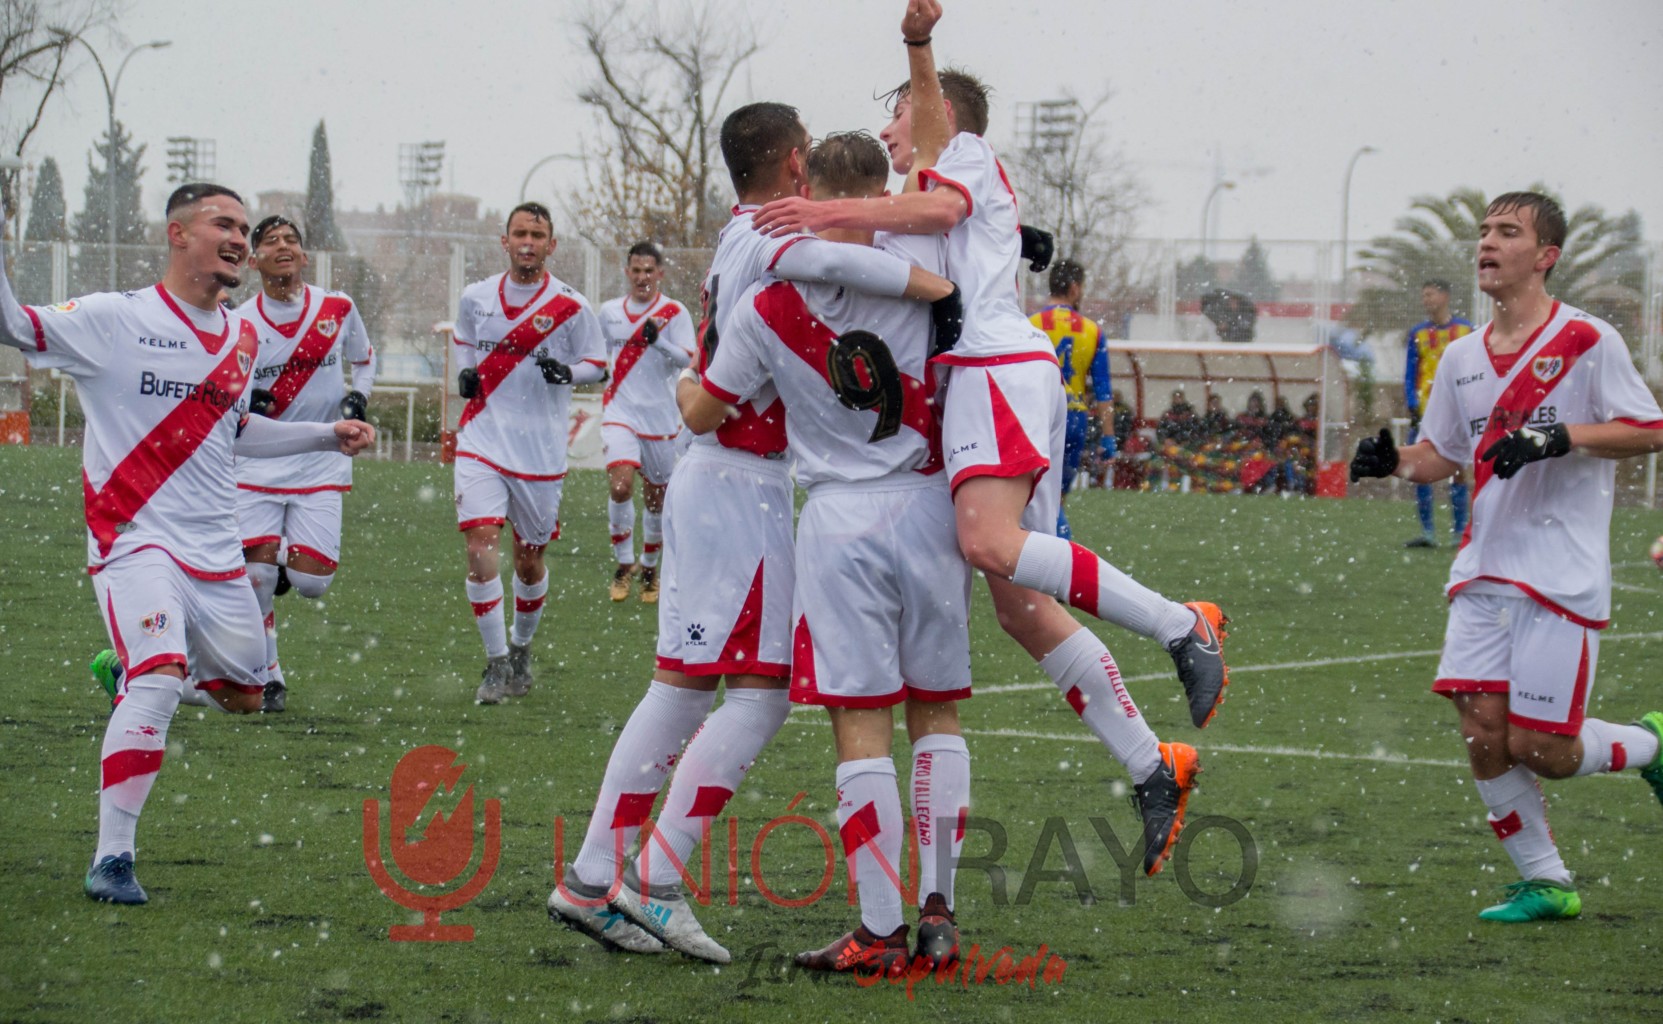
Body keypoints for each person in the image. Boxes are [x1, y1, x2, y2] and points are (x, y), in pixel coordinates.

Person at [754, 0, 1212, 880]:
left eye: (897, 114)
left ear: (936, 119)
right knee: (1015, 599)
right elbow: (894, 234)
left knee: (987, 543)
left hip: (994, 369)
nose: (890, 132)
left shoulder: (956, 157)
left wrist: (914, 55)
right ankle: (1154, 766)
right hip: (992, 378)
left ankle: (1181, 625)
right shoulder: (918, 191)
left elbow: (927, 206)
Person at [549, 101, 958, 962]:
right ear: (793, 165)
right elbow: (847, 262)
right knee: (754, 696)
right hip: (741, 483)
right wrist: (939, 287)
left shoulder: (742, 233)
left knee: (688, 687)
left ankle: (595, 877)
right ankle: (649, 883)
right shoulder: (774, 236)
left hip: (731, 480)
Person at [0, 184, 375, 904]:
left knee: (243, 697)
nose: (239, 237)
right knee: (163, 678)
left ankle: (127, 668)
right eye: (223, 224)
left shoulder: (243, 336)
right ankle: (113, 859)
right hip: (133, 538)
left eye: (243, 226)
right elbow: (13, 323)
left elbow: (236, 435)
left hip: (215, 548)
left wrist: (326, 433)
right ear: (177, 233)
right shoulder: (116, 318)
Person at [683, 130, 970, 976]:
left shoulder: (768, 301)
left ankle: (877, 931)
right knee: (937, 714)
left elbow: (707, 413)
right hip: (926, 506)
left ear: (805, 186)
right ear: (881, 192)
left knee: (860, 723)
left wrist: (679, 386)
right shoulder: (924, 281)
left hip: (841, 520)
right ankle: (938, 915)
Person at [1350, 191, 1663, 923]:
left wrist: (1563, 438)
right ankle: (1546, 881)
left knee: (1543, 748)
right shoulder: (1459, 356)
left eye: (1507, 232)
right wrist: (1389, 459)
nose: (1487, 243)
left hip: (1560, 574)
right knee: (1483, 734)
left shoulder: (1586, 340)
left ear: (1544, 256)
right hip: (1483, 570)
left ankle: (1649, 745)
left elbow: (1648, 429)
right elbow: (1442, 457)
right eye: (1483, 231)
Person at [452, 202, 608, 704]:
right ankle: (495, 662)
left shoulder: (571, 305)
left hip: (540, 454)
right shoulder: (476, 297)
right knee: (480, 546)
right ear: (504, 241)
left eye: (537, 234)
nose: (527, 242)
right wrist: (465, 371)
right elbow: (461, 340)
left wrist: (570, 373)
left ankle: (521, 647)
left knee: (528, 561)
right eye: (519, 232)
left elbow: (597, 363)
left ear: (551, 244)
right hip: (481, 438)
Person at [233, 215, 377, 712]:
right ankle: (268, 674)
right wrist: (248, 396)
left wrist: (360, 397)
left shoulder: (337, 308)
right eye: (271, 242)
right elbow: (223, 380)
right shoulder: (239, 319)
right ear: (254, 261)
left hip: (321, 460)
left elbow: (365, 357)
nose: (283, 247)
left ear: (305, 255)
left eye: (292, 239)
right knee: (254, 580)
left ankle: (281, 565)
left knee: (314, 584)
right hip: (258, 461)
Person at [596, 242, 695, 603]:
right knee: (621, 486)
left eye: (648, 271)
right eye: (636, 271)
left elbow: (688, 357)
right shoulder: (608, 312)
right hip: (620, 412)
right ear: (627, 272)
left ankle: (650, 568)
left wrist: (659, 343)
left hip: (661, 417)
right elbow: (597, 355)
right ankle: (624, 565)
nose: (642, 277)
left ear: (660, 274)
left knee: (657, 501)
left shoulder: (673, 312)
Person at [1030, 259, 1111, 540]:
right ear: (1075, 288)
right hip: (1074, 417)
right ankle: (1059, 544)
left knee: (1036, 496)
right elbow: (1103, 390)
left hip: (1038, 416)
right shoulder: (1092, 331)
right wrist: (1109, 437)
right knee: (1057, 499)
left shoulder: (1030, 325)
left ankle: (1051, 547)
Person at [1402, 279, 1474, 548]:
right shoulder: (1417, 334)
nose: (1426, 300)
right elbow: (1410, 374)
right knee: (1419, 471)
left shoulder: (1466, 330)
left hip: (1456, 411)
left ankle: (1459, 533)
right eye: (1424, 295)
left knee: (1458, 471)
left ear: (1445, 296)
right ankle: (1428, 532)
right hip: (1425, 414)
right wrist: (1412, 404)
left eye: (1430, 294)